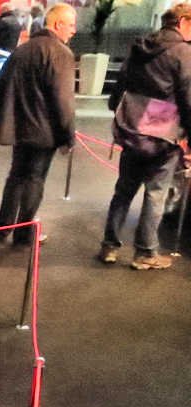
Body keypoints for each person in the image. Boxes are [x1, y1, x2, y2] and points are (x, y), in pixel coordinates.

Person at [98, 3, 191, 269]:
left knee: (123, 191)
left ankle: (109, 246)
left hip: (132, 130)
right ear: (182, 22)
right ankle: (145, 253)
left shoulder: (140, 45)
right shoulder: (183, 53)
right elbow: (187, 98)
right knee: (155, 194)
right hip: (163, 136)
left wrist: (118, 111)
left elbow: (121, 84)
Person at [0, 3, 76, 246]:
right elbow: (63, 100)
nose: (74, 30)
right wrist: (68, 135)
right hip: (45, 132)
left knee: (16, 177)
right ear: (58, 24)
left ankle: (2, 228)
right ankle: (24, 233)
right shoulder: (61, 53)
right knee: (34, 180)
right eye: (71, 25)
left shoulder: (23, 50)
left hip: (21, 128)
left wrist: (7, 117)